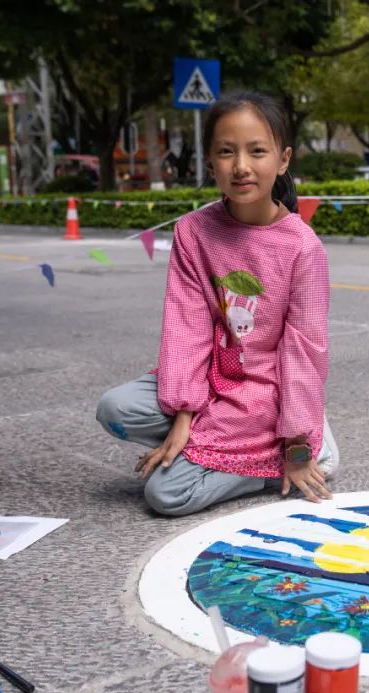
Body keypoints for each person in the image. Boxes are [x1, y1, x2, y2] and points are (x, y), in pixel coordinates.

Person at [96, 90, 338, 516]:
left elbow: (303, 350)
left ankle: (299, 447)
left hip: (267, 388)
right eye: (227, 152)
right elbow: (186, 328)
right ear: (210, 163)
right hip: (209, 380)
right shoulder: (193, 231)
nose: (241, 166)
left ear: (283, 160)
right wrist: (184, 417)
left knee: (166, 494)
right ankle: (223, 444)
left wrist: (297, 443)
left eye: (257, 151)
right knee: (114, 409)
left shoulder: (303, 247)